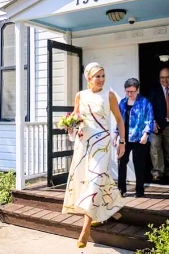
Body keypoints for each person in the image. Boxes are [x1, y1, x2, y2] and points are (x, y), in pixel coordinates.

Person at [62, 62, 125, 248]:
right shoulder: (80, 95)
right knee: (94, 179)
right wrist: (70, 125)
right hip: (84, 144)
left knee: (96, 179)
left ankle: (85, 227)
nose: (101, 79)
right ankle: (112, 210)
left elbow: (120, 120)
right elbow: (75, 117)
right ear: (88, 78)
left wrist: (122, 142)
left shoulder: (110, 95)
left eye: (103, 75)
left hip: (103, 144)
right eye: (97, 76)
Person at [114, 78, 154, 198]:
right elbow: (119, 120)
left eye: (132, 91)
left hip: (139, 137)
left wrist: (146, 134)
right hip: (124, 138)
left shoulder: (145, 102)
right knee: (121, 162)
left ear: (137, 90)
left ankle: (140, 190)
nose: (130, 94)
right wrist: (116, 134)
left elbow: (149, 119)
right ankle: (121, 189)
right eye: (127, 91)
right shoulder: (122, 102)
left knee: (139, 165)